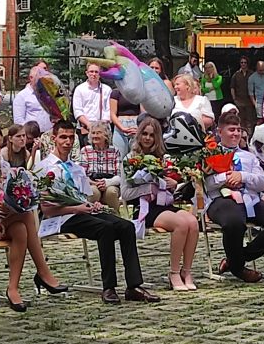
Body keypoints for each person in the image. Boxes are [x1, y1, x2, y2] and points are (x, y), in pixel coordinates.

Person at [35, 120, 160, 305]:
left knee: (126, 226)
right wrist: (78, 208)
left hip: (82, 212)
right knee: (105, 228)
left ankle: (134, 285)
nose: (67, 142)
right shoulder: (44, 167)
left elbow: (84, 197)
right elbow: (47, 209)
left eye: (71, 138)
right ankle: (109, 287)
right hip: (63, 217)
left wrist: (92, 206)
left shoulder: (75, 167)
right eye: (63, 137)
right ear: (54, 139)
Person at [0, 124, 66, 312]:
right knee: (26, 215)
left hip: (4, 218)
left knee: (21, 229)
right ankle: (43, 272)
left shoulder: (2, 166)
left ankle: (13, 288)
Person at [204, 112, 264, 281]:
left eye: (238, 130)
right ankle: (238, 269)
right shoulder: (209, 154)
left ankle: (237, 259)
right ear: (220, 132)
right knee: (234, 222)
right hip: (221, 200)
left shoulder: (249, 156)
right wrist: (225, 178)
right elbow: (206, 184)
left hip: (250, 199)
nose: (236, 134)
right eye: (231, 130)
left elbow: (261, 183)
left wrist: (242, 176)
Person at [121, 117, 199, 290]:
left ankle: (187, 271)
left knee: (193, 222)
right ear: (139, 135)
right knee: (181, 224)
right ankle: (174, 272)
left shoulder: (164, 158)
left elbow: (173, 185)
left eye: (152, 135)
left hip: (164, 204)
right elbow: (125, 193)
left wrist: (173, 184)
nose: (148, 138)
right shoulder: (130, 159)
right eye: (145, 134)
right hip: (145, 208)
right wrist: (149, 188)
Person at [78, 123, 122, 214]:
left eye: (98, 133)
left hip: (110, 182)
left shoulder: (115, 151)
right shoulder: (85, 150)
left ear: (106, 135)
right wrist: (95, 183)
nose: (95, 136)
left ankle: (116, 216)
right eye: (93, 133)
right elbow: (81, 175)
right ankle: (90, 216)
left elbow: (119, 175)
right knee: (93, 191)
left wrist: (107, 182)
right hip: (92, 182)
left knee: (111, 192)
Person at [73, 63, 111, 146]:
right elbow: (78, 111)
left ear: (100, 74)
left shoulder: (107, 89)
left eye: (96, 72)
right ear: (87, 73)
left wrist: (100, 126)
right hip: (85, 130)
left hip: (103, 130)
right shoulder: (79, 89)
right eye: (91, 71)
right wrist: (89, 125)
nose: (94, 74)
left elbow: (108, 111)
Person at [12, 66, 52, 134]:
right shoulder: (22, 96)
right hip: (31, 135)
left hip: (48, 133)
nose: (42, 80)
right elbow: (19, 120)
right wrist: (28, 134)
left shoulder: (48, 94)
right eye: (39, 78)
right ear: (31, 78)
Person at [110, 85, 140, 161]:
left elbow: (143, 112)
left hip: (136, 125)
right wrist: (122, 128)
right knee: (119, 156)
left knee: (136, 157)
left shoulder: (139, 91)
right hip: (120, 126)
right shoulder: (116, 92)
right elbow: (112, 114)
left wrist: (139, 128)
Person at [230, 56, 255, 134]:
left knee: (250, 120)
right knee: (240, 120)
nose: (243, 64)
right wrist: (234, 99)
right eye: (242, 62)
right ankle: (242, 135)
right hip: (239, 101)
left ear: (247, 64)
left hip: (249, 101)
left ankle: (249, 136)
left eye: (245, 62)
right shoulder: (236, 74)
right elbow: (232, 87)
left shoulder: (252, 74)